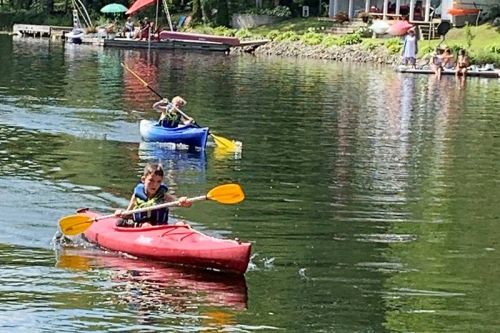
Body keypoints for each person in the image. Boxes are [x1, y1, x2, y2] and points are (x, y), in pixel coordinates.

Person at [115, 163, 191, 227]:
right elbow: (128, 213)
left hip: (160, 227)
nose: (154, 184)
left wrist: (183, 201)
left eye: (158, 182)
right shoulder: (137, 195)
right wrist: (120, 213)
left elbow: (179, 203)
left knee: (181, 224)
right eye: (151, 180)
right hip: (142, 226)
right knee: (143, 225)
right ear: (143, 179)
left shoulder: (163, 195)